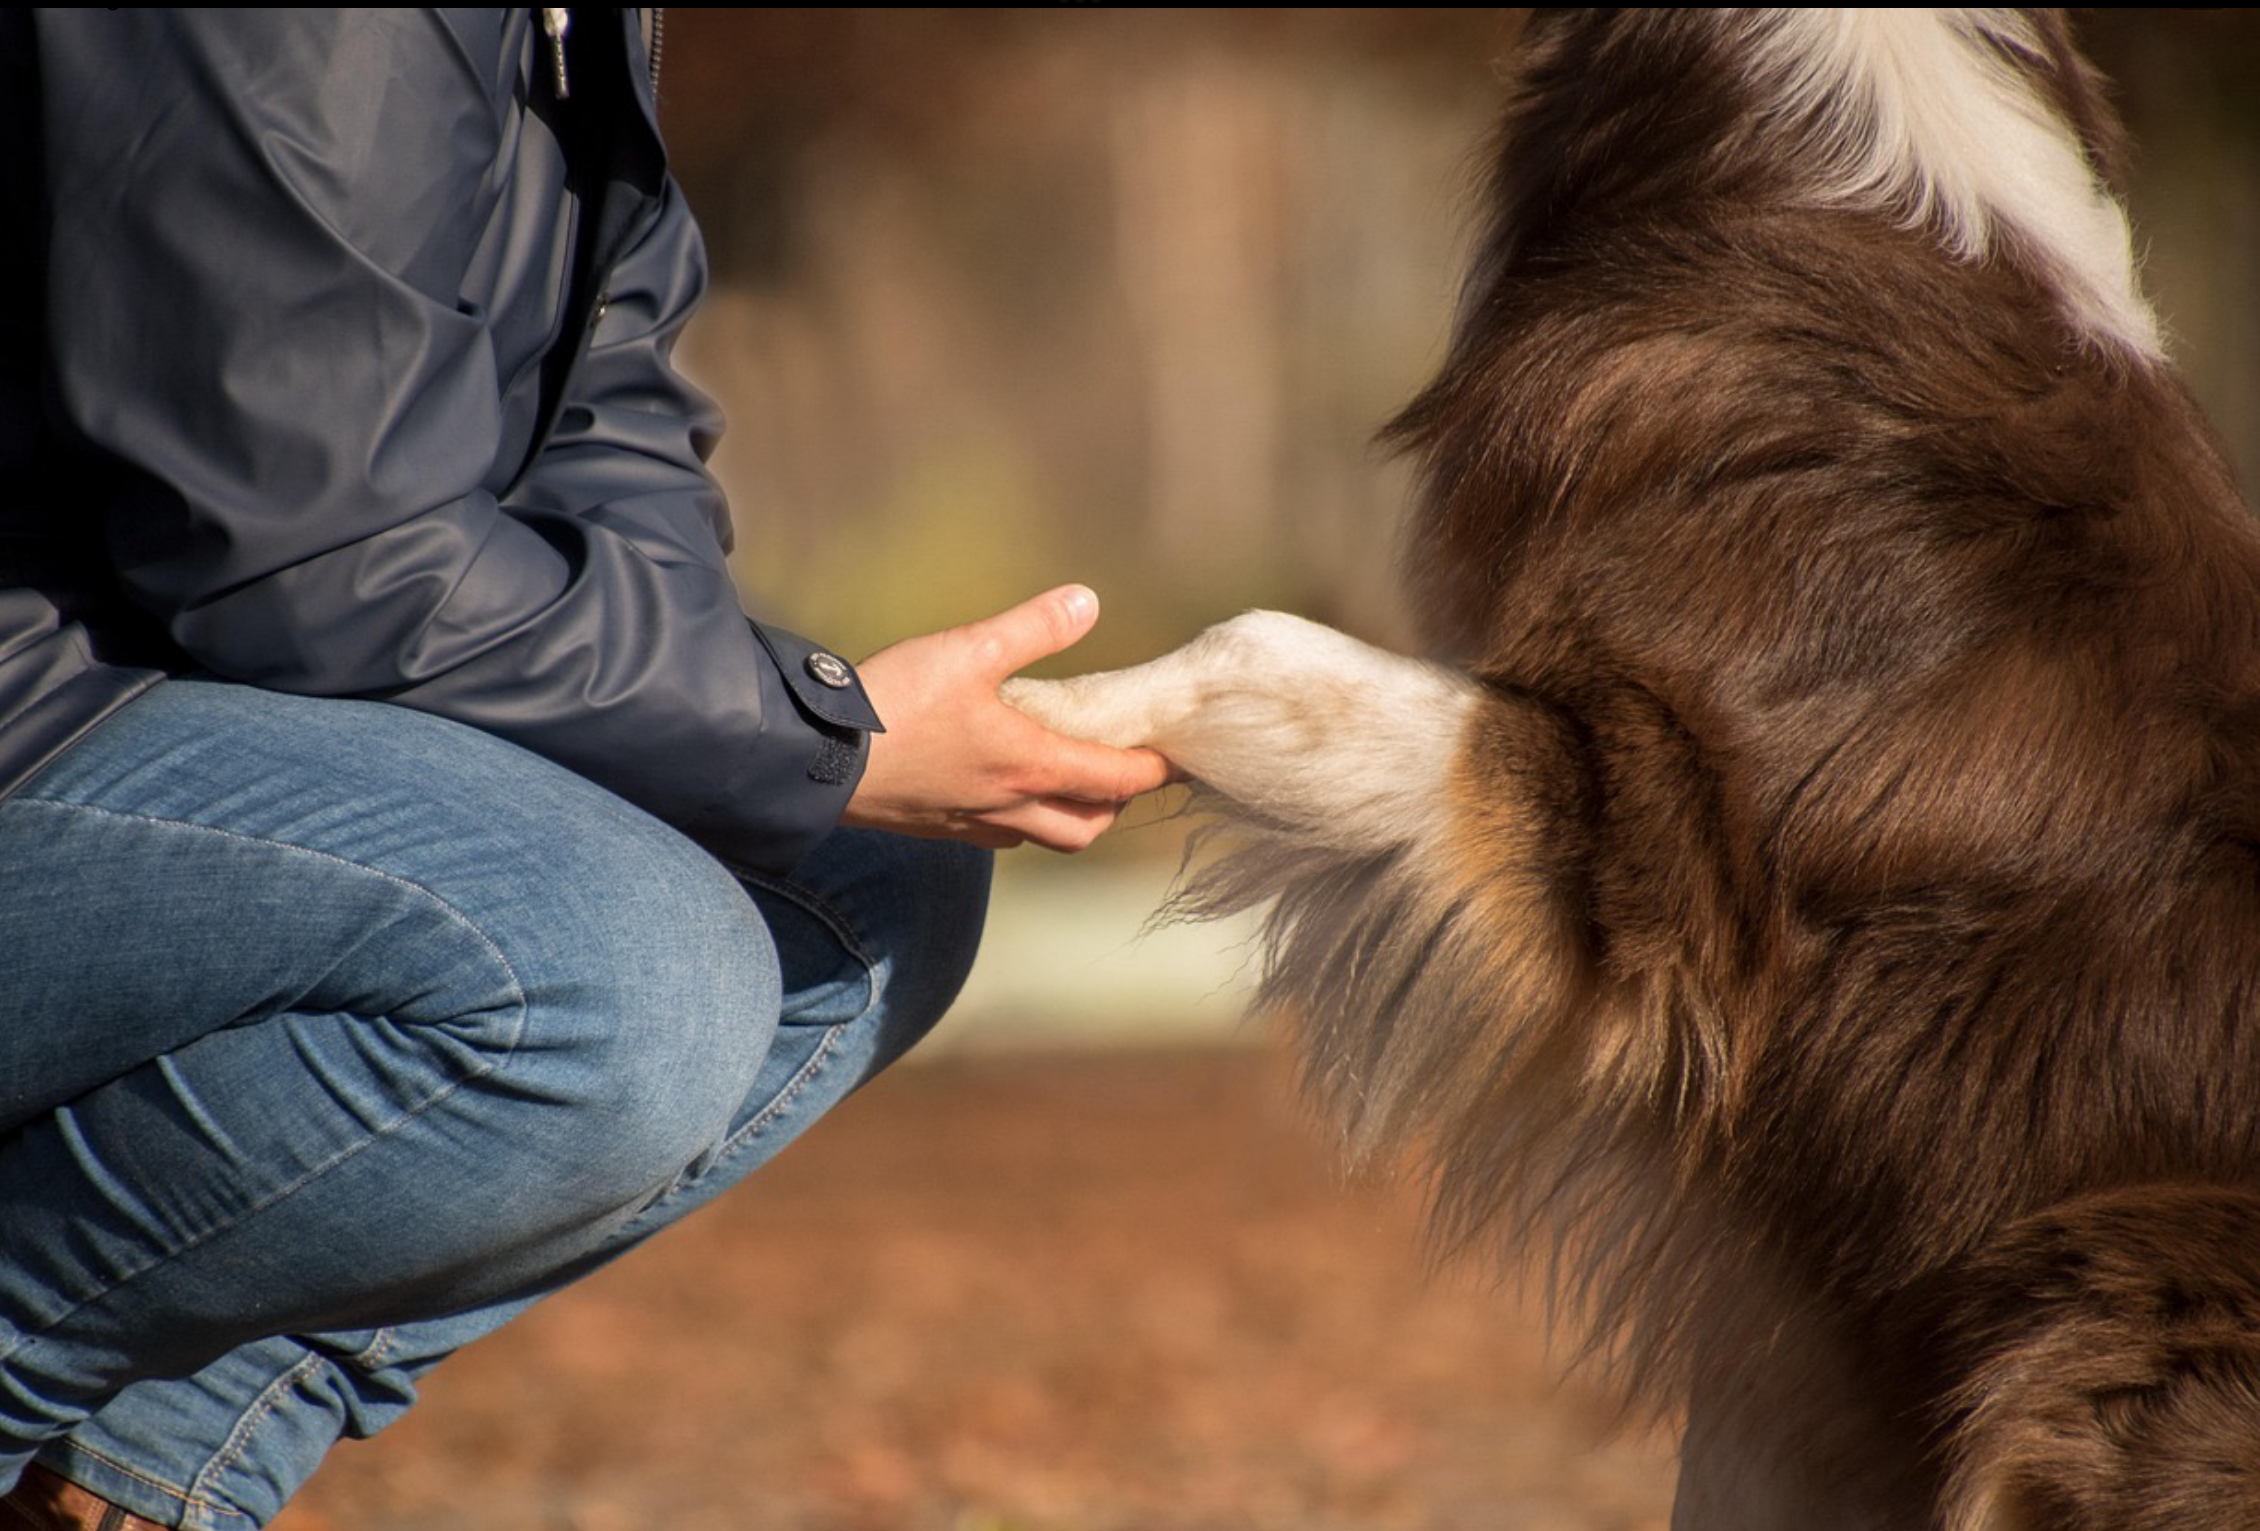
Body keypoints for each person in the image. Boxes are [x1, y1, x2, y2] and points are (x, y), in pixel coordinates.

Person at [0, 10, 1170, 1528]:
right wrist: (809, 736)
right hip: (53, 712)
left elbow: (601, 417)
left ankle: (125, 1478)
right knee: (616, 977)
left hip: (158, 691)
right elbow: (321, 552)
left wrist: (797, 754)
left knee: (867, 875)